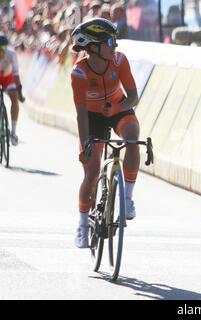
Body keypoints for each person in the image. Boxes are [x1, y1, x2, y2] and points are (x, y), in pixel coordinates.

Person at [70, 18, 141, 248]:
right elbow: (81, 114)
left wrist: (118, 107)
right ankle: (82, 225)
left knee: (132, 135)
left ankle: (128, 198)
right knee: (91, 174)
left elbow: (133, 97)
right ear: (93, 46)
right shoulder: (79, 73)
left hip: (117, 107)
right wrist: (85, 146)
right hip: (92, 117)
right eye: (110, 41)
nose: (115, 46)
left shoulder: (119, 61)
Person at [0, 34, 25, 146]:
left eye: (3, 48)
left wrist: (20, 93)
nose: (1, 51)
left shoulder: (11, 54)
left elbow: (16, 74)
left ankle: (13, 132)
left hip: (7, 77)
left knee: (14, 98)